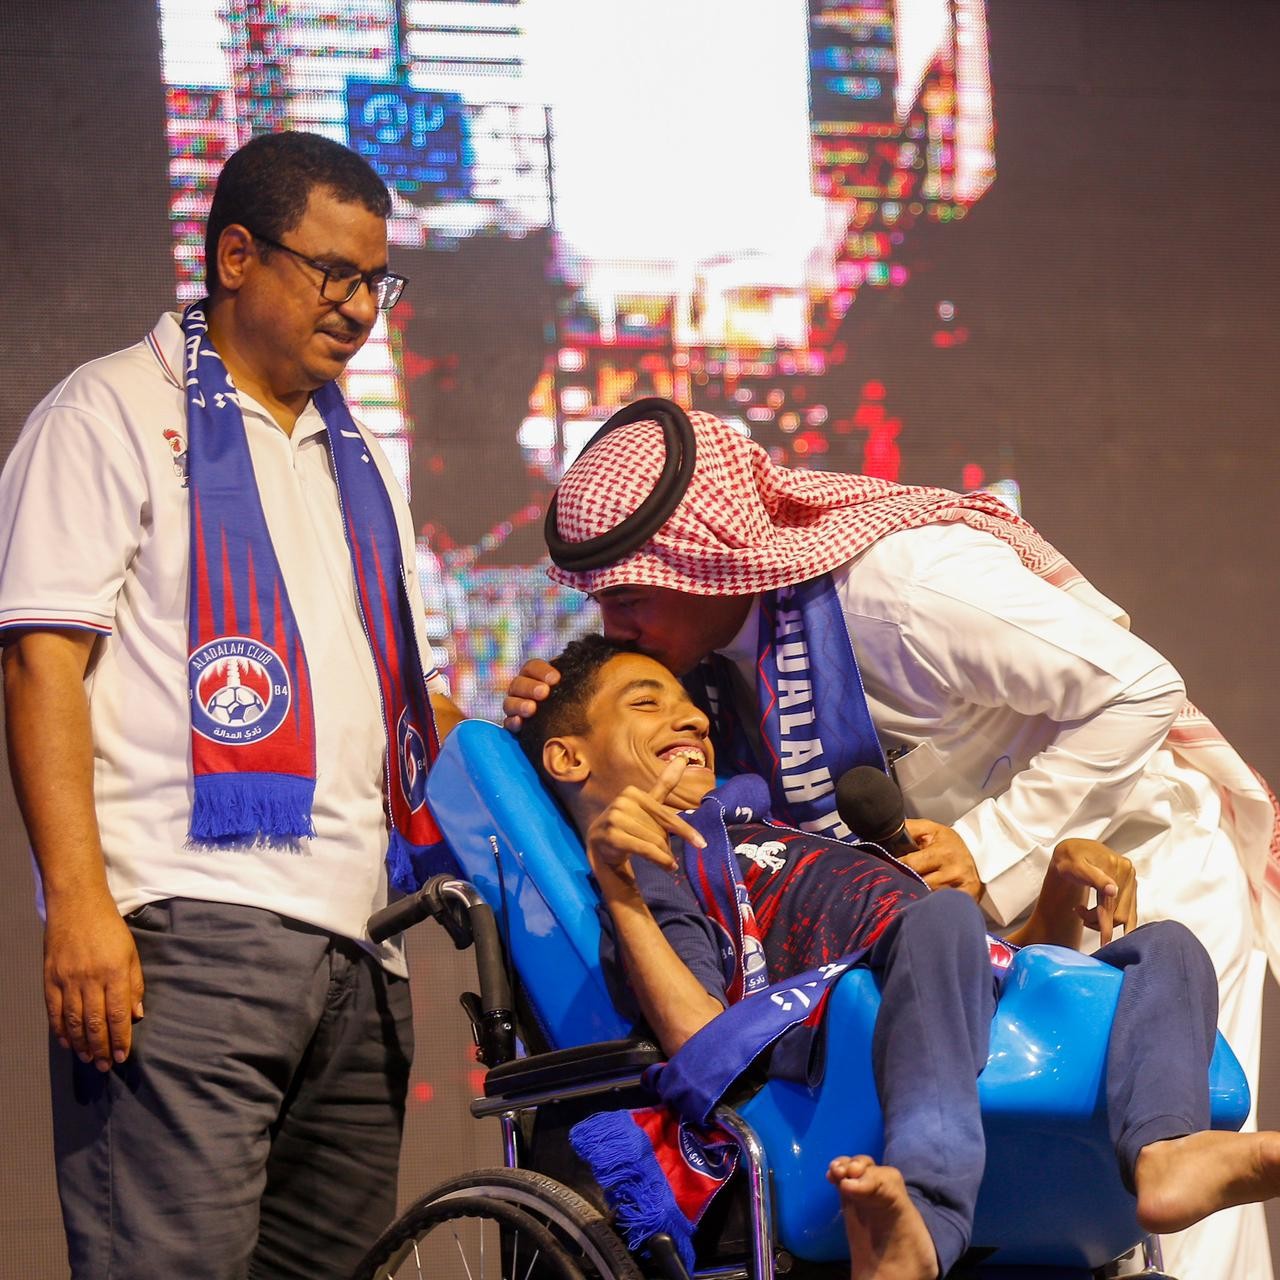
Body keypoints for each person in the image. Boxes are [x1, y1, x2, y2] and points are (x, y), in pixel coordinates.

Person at [506, 399, 1280, 1278]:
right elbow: (618, 792)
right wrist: (540, 725)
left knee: (1176, 1236)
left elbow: (1139, 689)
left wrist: (994, 850)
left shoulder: (901, 590)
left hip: (1136, 860)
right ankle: (930, 1214)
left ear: (705, 560)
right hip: (945, 937)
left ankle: (1166, 1157)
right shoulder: (714, 685)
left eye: (630, 597)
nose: (615, 629)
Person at [0, 131, 463, 1279]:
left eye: (377, 280)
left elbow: (403, 699)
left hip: (361, 948)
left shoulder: (361, 460)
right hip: (186, 928)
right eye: (333, 271)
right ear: (236, 256)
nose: (358, 306)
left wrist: (531, 733)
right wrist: (79, 903)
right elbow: (40, 663)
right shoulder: (111, 409)